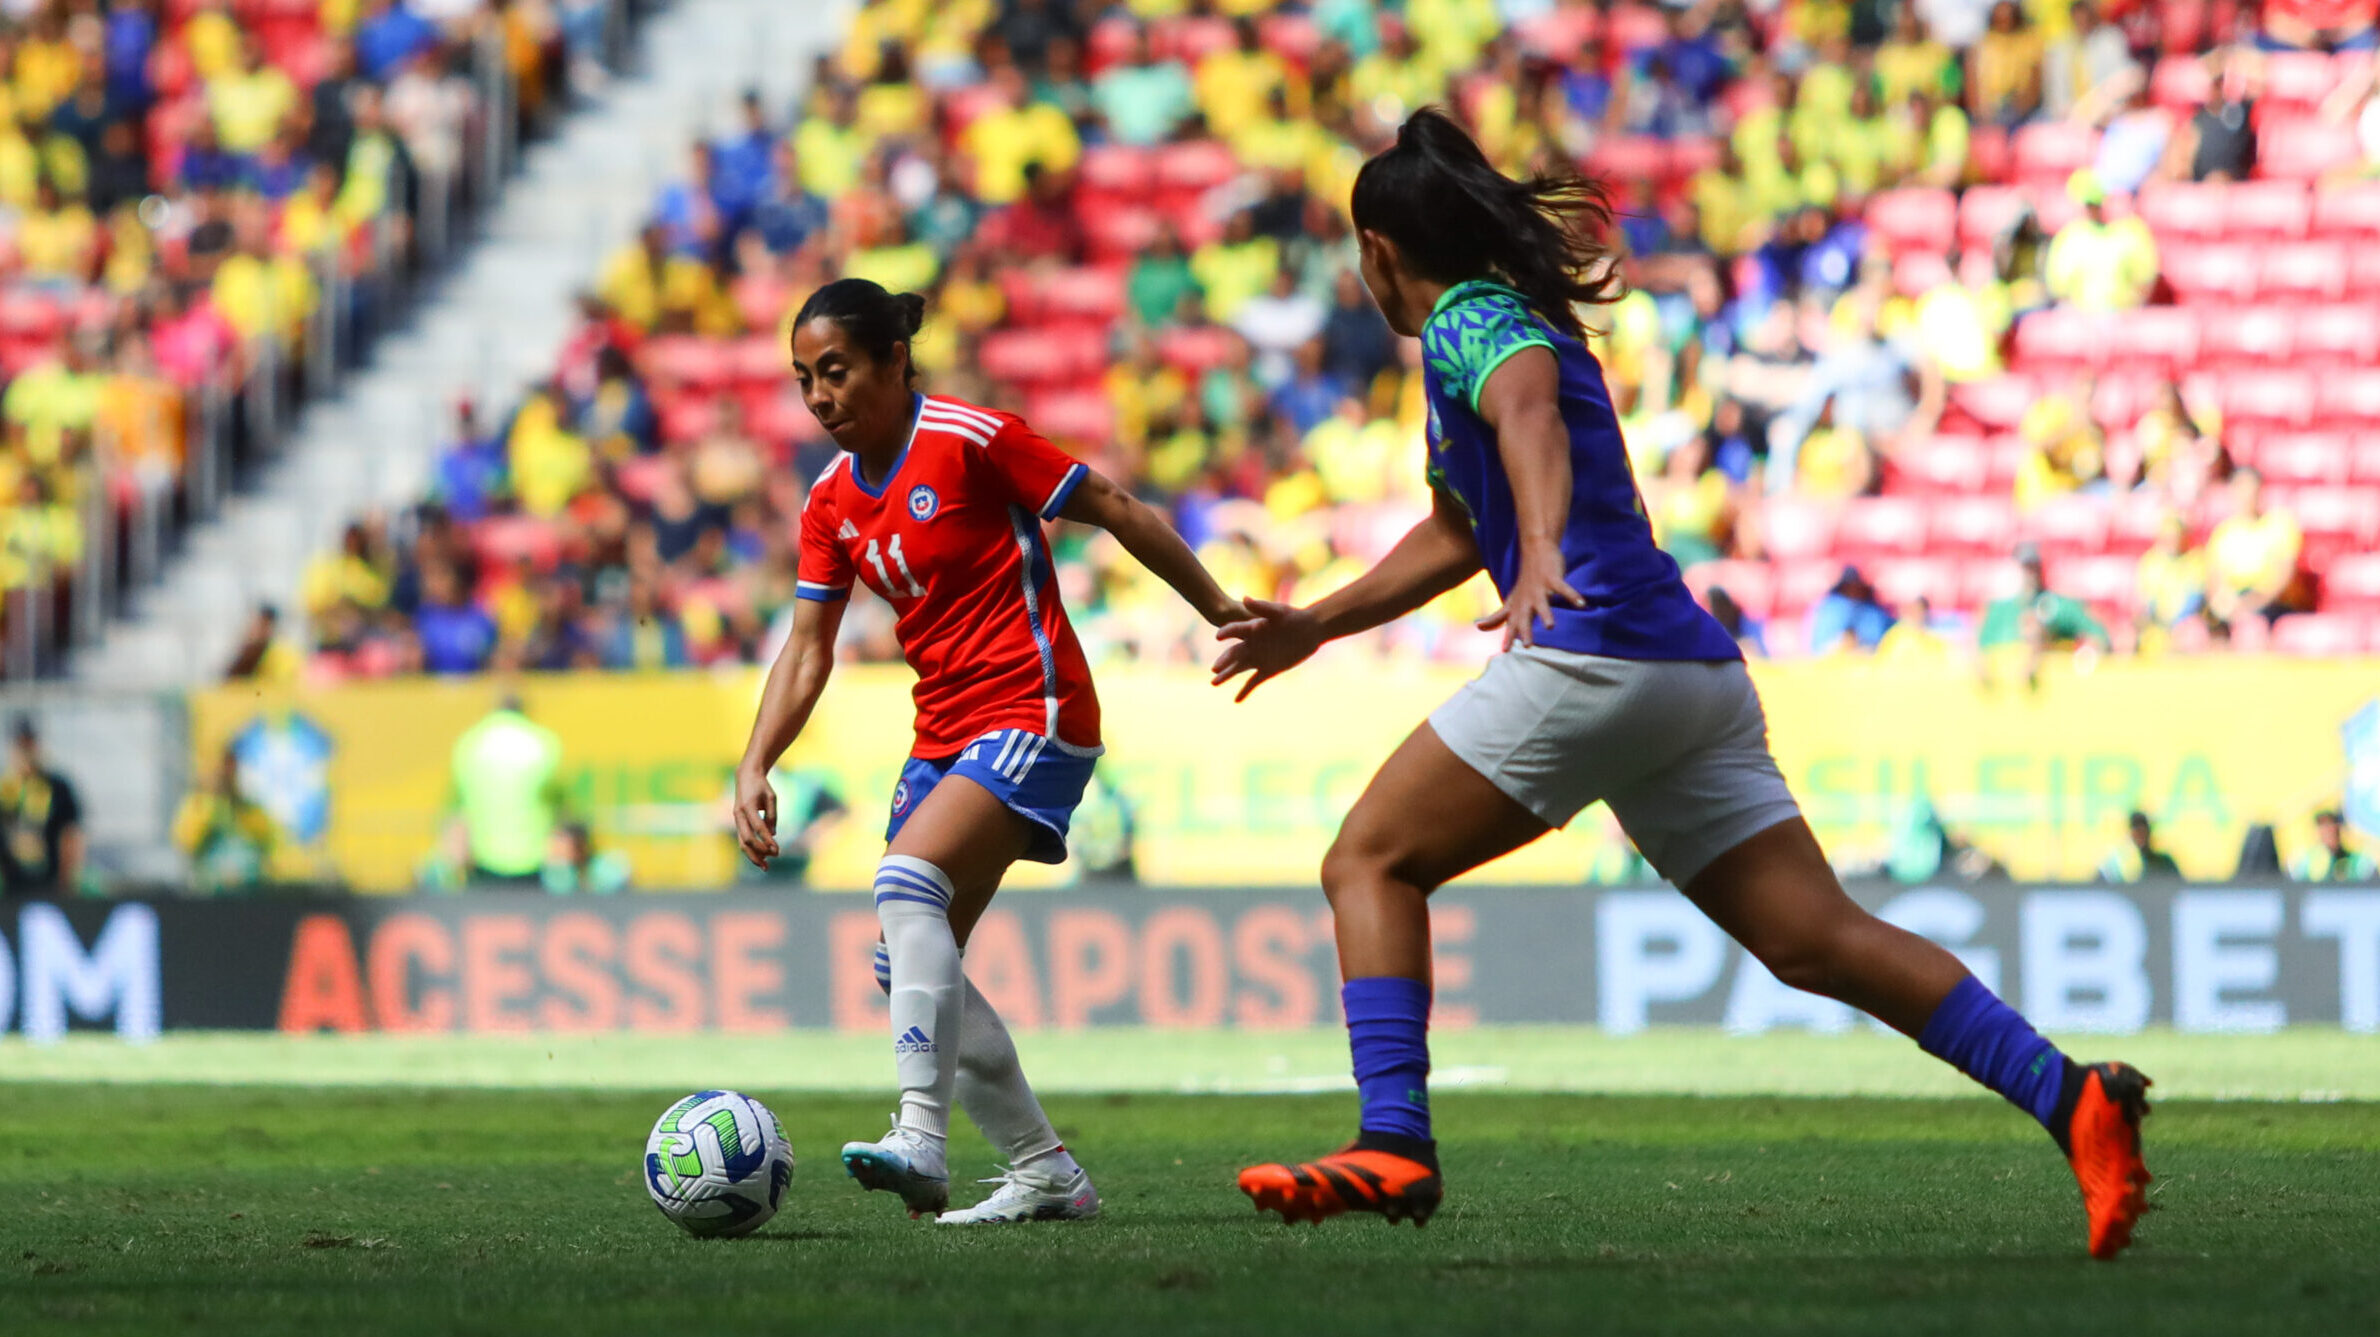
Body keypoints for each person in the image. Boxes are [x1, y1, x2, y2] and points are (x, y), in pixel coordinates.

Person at [1210, 109, 2152, 1258]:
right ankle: (2072, 1097)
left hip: (1591, 648)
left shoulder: (1470, 319)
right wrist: (1318, 619)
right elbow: (1461, 524)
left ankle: (1395, 1137)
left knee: (1368, 858)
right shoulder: (1519, 317)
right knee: (1818, 939)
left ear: (1373, 251)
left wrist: (1544, 548)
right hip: (1687, 675)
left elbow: (1525, 419)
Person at [731, 279, 1244, 1225]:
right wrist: (755, 760)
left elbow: (1115, 503)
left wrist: (1219, 609)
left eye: (836, 371)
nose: (819, 397)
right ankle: (1045, 1170)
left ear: (894, 359)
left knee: (904, 881)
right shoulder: (829, 500)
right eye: (804, 379)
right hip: (945, 728)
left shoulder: (971, 439)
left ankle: (921, 1138)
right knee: (910, 957)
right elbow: (808, 647)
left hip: (1036, 706)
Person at [445, 695, 566, 886]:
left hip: (482, 856)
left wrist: (456, 856)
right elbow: (559, 803)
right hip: (533, 857)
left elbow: (459, 807)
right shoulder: (542, 742)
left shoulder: (470, 743)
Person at [174, 744, 280, 893]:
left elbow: (266, 842)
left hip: (250, 894)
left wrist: (239, 801)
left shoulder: (251, 809)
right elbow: (186, 842)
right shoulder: (199, 803)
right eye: (224, 768)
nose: (228, 774)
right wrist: (211, 800)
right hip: (210, 894)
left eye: (232, 768)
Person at [0, 718, 84, 896]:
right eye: (21, 745)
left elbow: (71, 834)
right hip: (10, 887)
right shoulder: (5, 787)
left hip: (51, 885)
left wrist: (66, 882)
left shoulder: (57, 786)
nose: (26, 751)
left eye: (29, 744)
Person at [2291, 809, 2377, 882]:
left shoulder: (2357, 861)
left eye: (2331, 824)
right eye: (2322, 826)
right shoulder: (2306, 861)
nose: (2327, 831)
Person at [2099, 810, 2183, 883]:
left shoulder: (2164, 863)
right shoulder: (2117, 865)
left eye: (2144, 830)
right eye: (2137, 831)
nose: (2141, 835)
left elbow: (2177, 885)